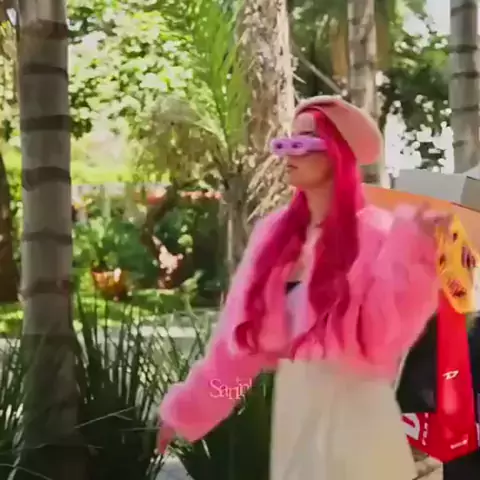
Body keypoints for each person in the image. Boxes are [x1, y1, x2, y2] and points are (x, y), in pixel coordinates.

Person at [156, 96, 451, 479]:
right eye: (286, 141)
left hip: (361, 419)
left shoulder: (379, 232)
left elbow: (386, 335)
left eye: (304, 142)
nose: (288, 153)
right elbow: (234, 356)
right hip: (295, 419)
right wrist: (187, 411)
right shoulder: (272, 238)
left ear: (337, 153)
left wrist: (415, 252)